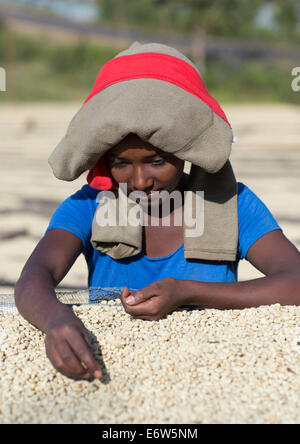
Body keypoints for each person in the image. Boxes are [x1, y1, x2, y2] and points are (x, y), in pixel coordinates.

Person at [15, 43, 300, 381]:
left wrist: (188, 291)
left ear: (184, 150)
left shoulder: (232, 203)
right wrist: (56, 320)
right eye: (121, 164)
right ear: (106, 160)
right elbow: (33, 278)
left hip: (212, 373)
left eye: (157, 161)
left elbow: (295, 280)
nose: (140, 181)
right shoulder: (90, 204)